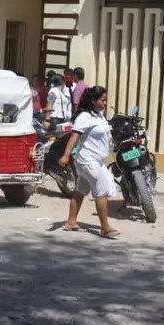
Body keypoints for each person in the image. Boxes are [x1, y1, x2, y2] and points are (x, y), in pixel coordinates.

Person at [58, 86, 120, 239]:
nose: (104, 103)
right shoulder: (85, 116)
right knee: (102, 192)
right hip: (88, 160)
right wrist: (66, 156)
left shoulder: (98, 115)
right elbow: (74, 136)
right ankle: (105, 227)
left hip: (96, 161)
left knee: (80, 191)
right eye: (102, 100)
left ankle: (71, 222)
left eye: (105, 100)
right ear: (93, 100)